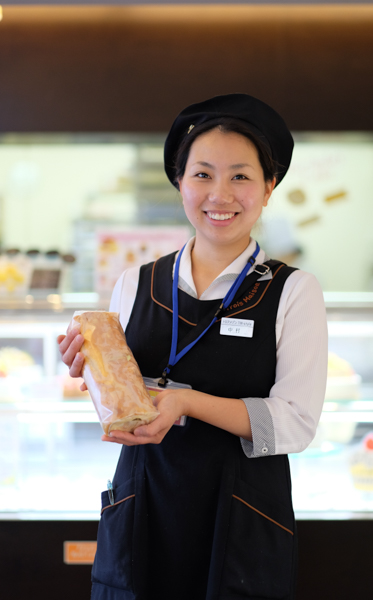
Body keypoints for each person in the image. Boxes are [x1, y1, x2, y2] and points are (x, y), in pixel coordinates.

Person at [58, 94, 328, 600]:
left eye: (241, 176)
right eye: (202, 174)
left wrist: (186, 402)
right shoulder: (136, 281)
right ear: (179, 182)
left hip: (241, 513)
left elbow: (294, 422)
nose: (219, 194)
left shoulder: (293, 290)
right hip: (143, 501)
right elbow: (123, 401)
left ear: (269, 188)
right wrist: (88, 369)